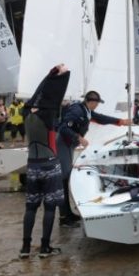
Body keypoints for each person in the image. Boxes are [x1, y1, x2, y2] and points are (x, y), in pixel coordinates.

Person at [56, 90, 130, 227]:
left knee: (66, 177)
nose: (97, 106)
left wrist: (121, 121)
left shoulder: (86, 110)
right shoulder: (77, 111)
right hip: (64, 144)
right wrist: (78, 138)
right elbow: (63, 128)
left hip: (69, 145)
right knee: (64, 178)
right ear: (91, 102)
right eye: (97, 103)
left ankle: (68, 213)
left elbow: (101, 118)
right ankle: (64, 218)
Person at [20, 64, 71, 258]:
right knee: (50, 208)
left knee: (30, 208)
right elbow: (53, 97)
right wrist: (58, 76)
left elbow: (37, 96)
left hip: (32, 166)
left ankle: (25, 248)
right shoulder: (48, 115)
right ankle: (44, 247)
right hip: (50, 165)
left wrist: (49, 75)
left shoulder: (26, 116)